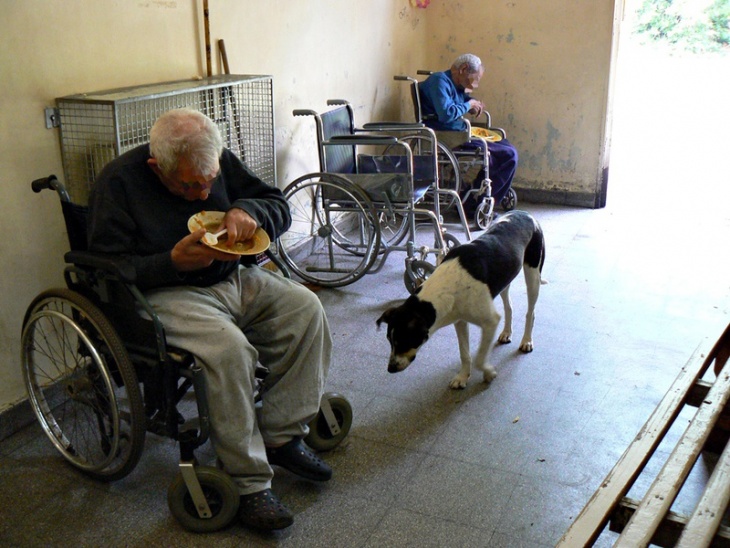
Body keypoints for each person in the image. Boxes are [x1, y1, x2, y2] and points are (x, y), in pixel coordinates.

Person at [87, 108, 332, 531]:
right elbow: (106, 268)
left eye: (210, 181)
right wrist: (171, 262)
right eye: (189, 185)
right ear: (156, 167)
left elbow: (275, 203)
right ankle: (250, 482)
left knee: (305, 309)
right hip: (167, 293)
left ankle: (281, 433)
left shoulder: (216, 161)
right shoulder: (119, 183)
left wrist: (249, 211)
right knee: (229, 349)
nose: (203, 194)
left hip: (233, 278)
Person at [419, 53, 518, 216]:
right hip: (446, 135)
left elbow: (463, 102)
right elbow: (446, 114)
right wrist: (468, 104)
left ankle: (476, 196)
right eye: (475, 79)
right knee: (507, 154)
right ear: (464, 69)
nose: (476, 84)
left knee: (504, 144)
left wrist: (473, 105)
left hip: (459, 132)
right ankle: (475, 202)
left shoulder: (455, 85)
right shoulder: (439, 81)